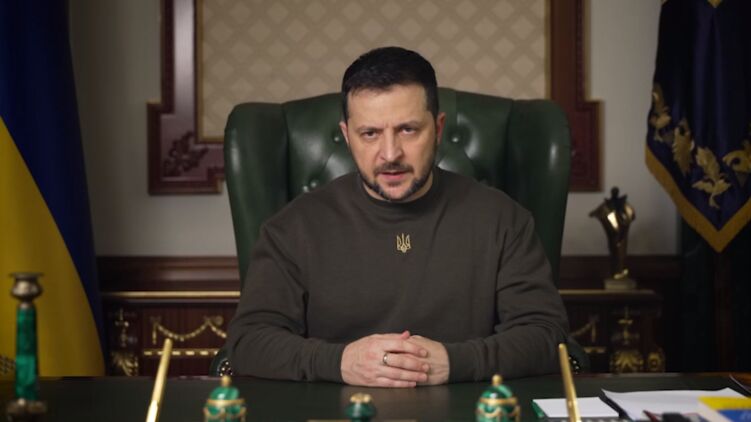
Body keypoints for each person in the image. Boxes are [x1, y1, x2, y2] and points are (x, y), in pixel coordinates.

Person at [226, 46, 569, 387]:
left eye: (408, 130)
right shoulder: (293, 227)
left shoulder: (503, 219)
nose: (390, 154)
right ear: (347, 136)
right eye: (370, 134)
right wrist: (341, 362)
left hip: (472, 407)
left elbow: (546, 335)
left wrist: (453, 362)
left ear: (438, 128)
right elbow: (248, 342)